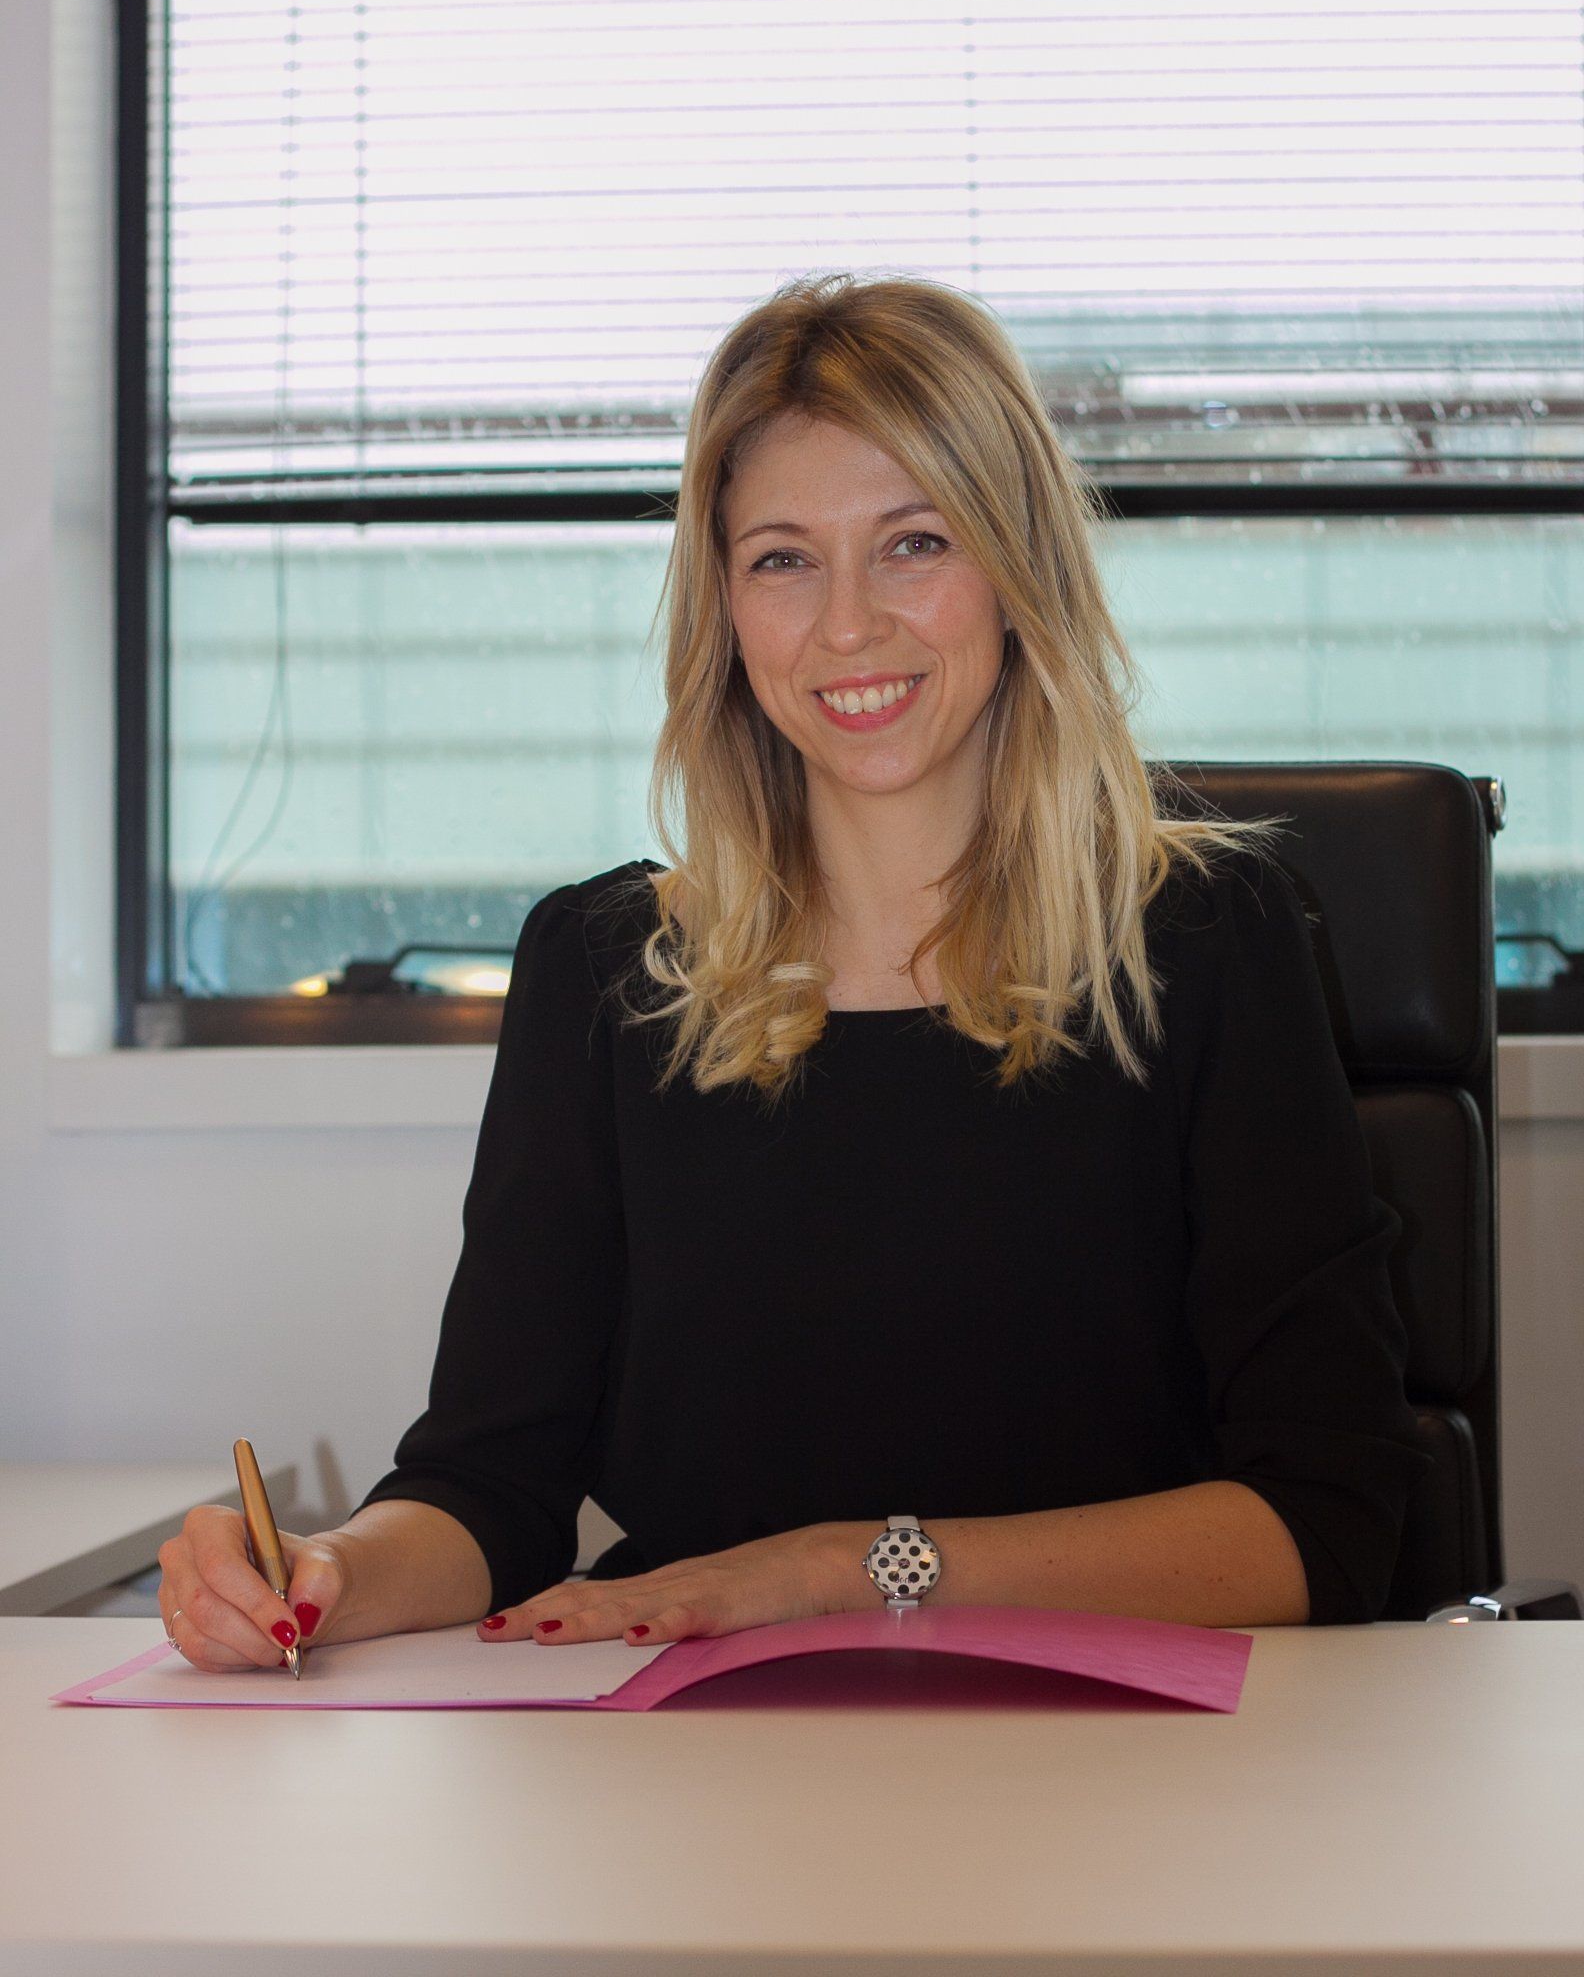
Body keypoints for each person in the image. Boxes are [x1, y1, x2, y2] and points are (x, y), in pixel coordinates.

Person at [157, 273, 1426, 1673]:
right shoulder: (603, 976)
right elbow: (489, 1489)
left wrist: (845, 1571)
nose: (847, 627)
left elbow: (1323, 1525)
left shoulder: (1207, 942)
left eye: (913, 543)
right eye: (781, 559)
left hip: (1110, 1772)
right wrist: (325, 1570)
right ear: (724, 606)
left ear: (1016, 567)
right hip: (702, 1784)